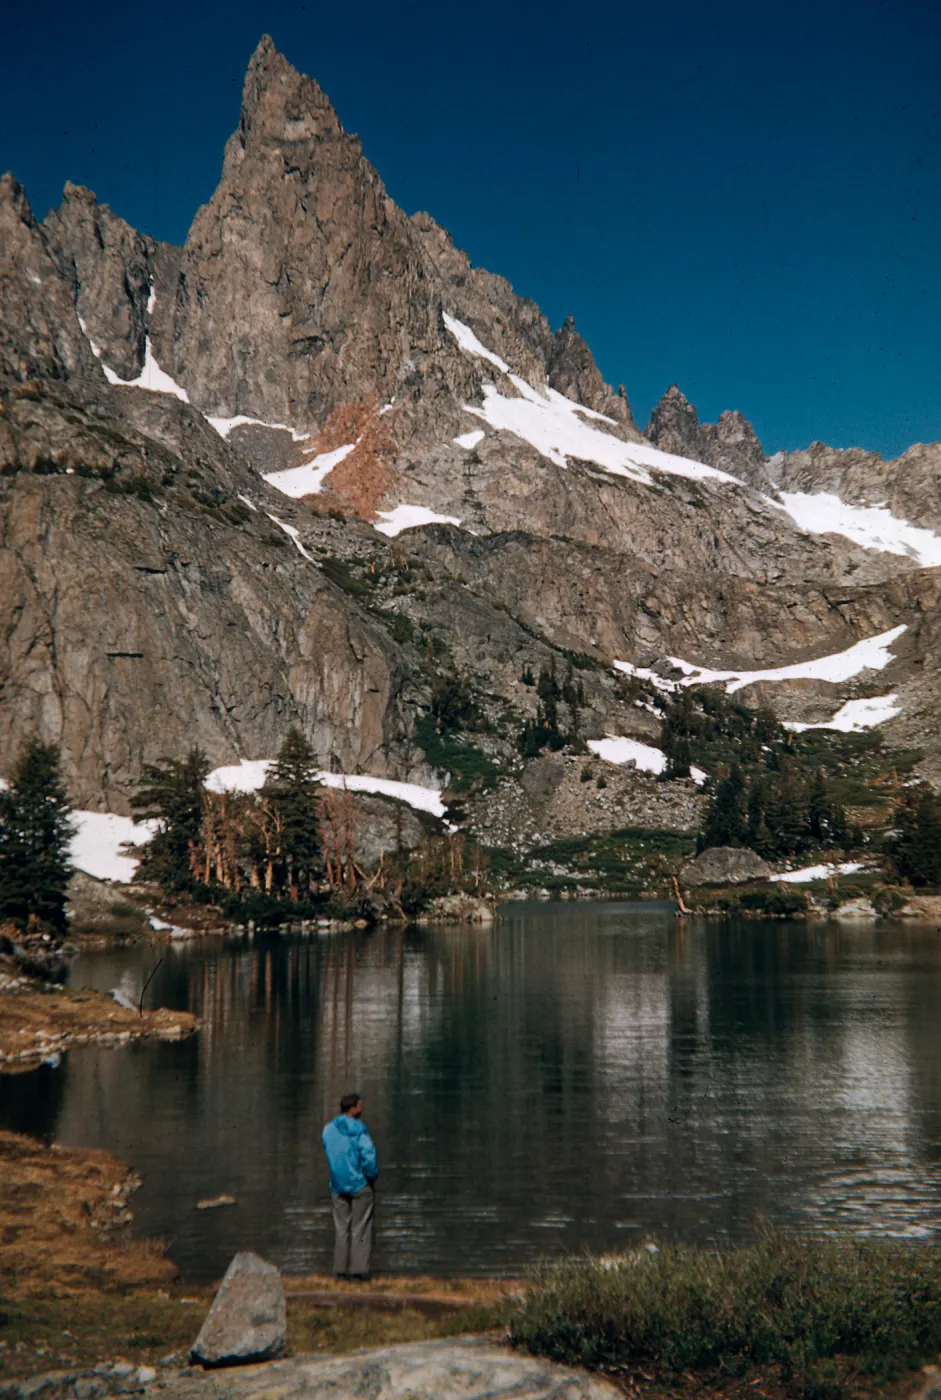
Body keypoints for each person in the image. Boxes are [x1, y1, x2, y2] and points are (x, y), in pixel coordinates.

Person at [321, 1092, 378, 1280]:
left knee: (341, 1228)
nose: (362, 1109)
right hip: (360, 1184)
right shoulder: (360, 1130)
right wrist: (371, 1177)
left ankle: (339, 1271)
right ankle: (358, 1271)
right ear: (353, 1108)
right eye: (360, 1105)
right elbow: (368, 1156)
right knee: (360, 1227)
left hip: (337, 1184)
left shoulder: (328, 1130)